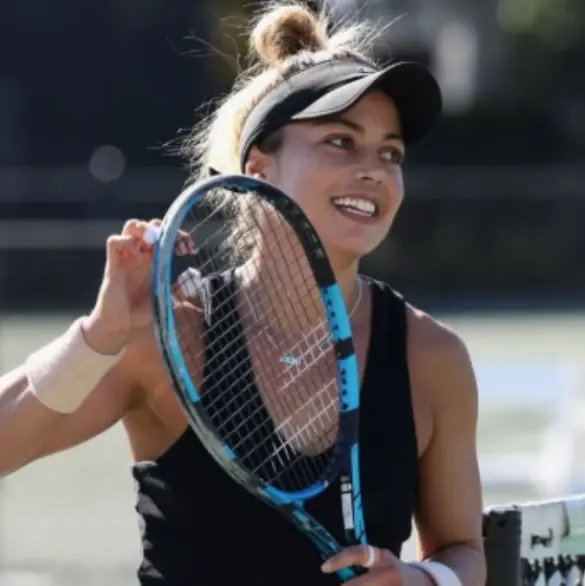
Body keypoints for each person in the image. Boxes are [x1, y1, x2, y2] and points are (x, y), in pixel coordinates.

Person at [0, 3, 486, 586]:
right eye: (340, 141)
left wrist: (422, 580)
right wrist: (97, 338)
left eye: (391, 154)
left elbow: (463, 549)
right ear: (258, 168)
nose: (374, 171)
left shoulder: (431, 358)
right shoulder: (173, 332)